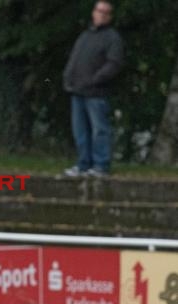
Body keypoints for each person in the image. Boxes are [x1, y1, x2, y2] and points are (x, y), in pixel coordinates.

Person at [63, 0, 123, 177]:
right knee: (80, 131)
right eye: (99, 10)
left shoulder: (113, 38)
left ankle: (101, 166)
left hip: (97, 93)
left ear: (110, 17)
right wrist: (67, 78)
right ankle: (83, 164)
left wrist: (95, 79)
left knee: (99, 130)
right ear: (93, 12)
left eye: (106, 12)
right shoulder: (85, 36)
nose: (101, 14)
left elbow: (114, 64)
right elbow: (74, 59)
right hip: (77, 91)